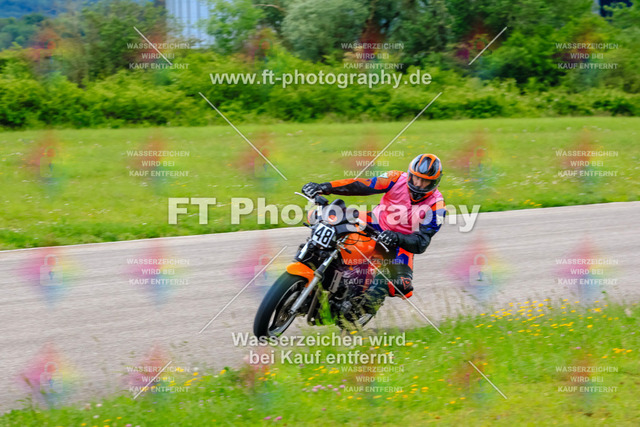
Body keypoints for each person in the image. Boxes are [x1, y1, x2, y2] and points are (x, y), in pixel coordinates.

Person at [301, 153, 446, 319]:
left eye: (425, 181)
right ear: (410, 174)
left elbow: (422, 242)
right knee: (324, 217)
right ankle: (311, 263)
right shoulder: (395, 178)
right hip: (374, 221)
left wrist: (397, 238)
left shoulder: (437, 206)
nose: (418, 184)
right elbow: (361, 185)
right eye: (416, 178)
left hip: (401, 242)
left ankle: (355, 313)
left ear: (434, 182)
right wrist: (324, 187)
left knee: (400, 285)